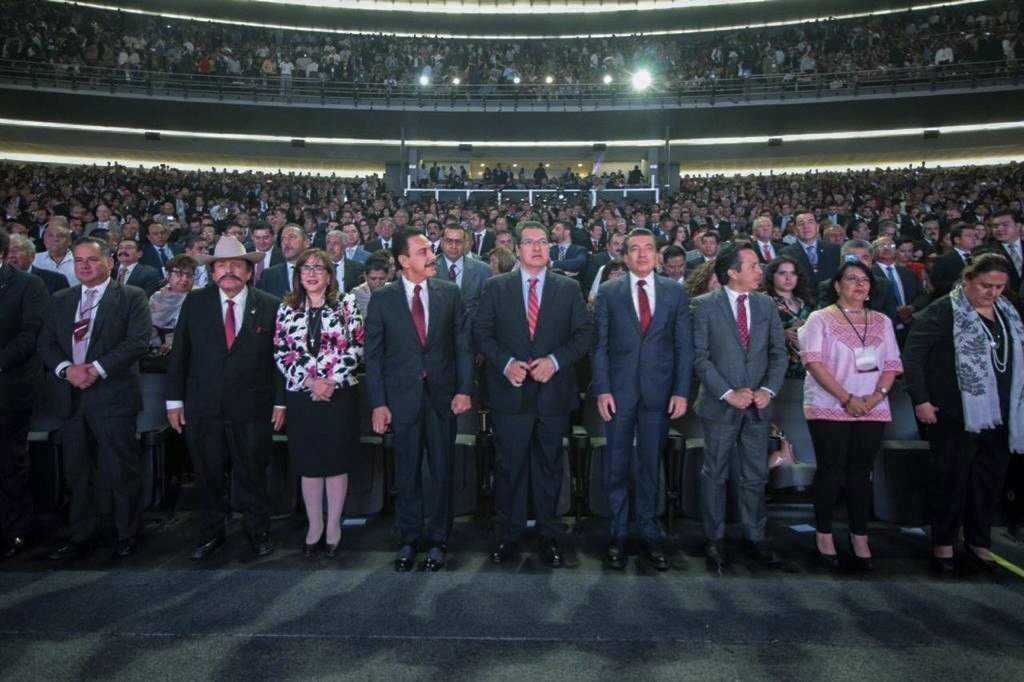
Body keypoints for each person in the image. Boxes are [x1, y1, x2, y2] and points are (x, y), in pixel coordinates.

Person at [475, 221, 594, 567]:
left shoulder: (567, 288)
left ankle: (548, 536)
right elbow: (481, 333)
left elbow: (584, 334)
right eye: (529, 242)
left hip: (552, 393)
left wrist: (555, 362)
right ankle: (508, 535)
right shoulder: (495, 287)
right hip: (508, 392)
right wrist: (506, 363)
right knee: (509, 467)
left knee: (549, 468)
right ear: (517, 248)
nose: (537, 248)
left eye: (543, 242)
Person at [166, 236, 286, 560]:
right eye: (221, 265)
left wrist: (280, 401)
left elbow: (279, 359)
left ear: (249, 271)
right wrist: (173, 402)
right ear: (212, 271)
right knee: (208, 475)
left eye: (236, 265)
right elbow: (180, 355)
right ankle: (211, 533)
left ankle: (257, 531)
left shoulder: (271, 304)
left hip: (253, 407)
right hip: (204, 406)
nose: (228, 271)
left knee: (253, 475)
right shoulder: (195, 303)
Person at [903, 253, 1022, 574]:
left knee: (989, 478)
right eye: (986, 285)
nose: (993, 292)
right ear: (967, 279)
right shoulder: (944, 311)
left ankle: (979, 541)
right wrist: (921, 399)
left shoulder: (1009, 313)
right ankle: (943, 542)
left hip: (1002, 412)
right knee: (951, 477)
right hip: (954, 410)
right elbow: (913, 356)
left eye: (999, 286)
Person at [364, 228, 473, 572]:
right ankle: (409, 538)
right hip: (402, 399)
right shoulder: (383, 298)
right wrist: (379, 403)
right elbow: (374, 356)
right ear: (403, 261)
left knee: (442, 470)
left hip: (442, 398)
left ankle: (439, 539)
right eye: (424, 251)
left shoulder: (450, 293)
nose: (432, 256)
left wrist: (464, 389)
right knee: (407, 471)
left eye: (431, 250)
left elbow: (463, 347)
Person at [37, 236, 151, 559]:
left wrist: (95, 369)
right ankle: (81, 535)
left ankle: (126, 533)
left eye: (93, 259)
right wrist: (66, 370)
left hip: (113, 396)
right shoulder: (60, 298)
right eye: (80, 260)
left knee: (120, 468)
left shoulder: (131, 296)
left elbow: (137, 342)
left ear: (109, 263)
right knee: (78, 470)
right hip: (70, 397)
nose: (85, 266)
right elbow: (45, 343)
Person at [592, 229, 693, 571]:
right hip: (618, 394)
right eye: (634, 249)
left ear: (657, 255)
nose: (641, 255)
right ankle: (618, 534)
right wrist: (602, 389)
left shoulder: (674, 293)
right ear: (624, 255)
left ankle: (650, 534)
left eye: (648, 248)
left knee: (651, 465)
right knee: (618, 466)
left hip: (660, 393)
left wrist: (681, 391)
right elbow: (600, 346)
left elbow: (684, 347)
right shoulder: (608, 292)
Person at [799, 260, 902, 570]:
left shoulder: (882, 320)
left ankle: (860, 535)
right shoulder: (820, 319)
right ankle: (825, 534)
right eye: (852, 279)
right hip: (829, 406)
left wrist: (875, 397)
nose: (860, 285)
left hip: (872, 407)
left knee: (861, 472)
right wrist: (847, 398)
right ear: (837, 284)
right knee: (830, 471)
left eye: (865, 280)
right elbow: (813, 363)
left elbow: (892, 365)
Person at [691, 242, 788, 574]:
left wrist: (768, 390)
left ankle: (755, 536)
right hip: (721, 405)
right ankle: (714, 538)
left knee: (754, 475)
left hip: (758, 406)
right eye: (753, 265)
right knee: (715, 473)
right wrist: (727, 393)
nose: (761, 270)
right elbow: (699, 357)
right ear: (732, 272)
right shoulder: (703, 306)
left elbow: (779, 354)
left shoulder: (766, 306)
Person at [274, 248, 364, 560]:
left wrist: (330, 381)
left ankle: (334, 525)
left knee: (335, 461)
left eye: (318, 268)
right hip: (302, 394)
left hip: (338, 393)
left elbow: (356, 344)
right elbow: (281, 351)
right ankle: (315, 525)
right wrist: (311, 382)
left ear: (329, 275)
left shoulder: (346, 303)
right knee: (309, 463)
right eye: (305, 269)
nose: (311, 274)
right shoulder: (286, 308)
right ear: (298, 275)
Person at [0, 230, 50, 557]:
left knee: (7, 462)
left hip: (10, 387)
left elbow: (32, 334)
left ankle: (11, 532)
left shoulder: (27, 285)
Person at [763, 255, 813, 377]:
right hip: (777, 369)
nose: (788, 278)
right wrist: (782, 334)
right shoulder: (763, 301)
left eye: (793, 273)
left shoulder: (806, 303)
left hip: (809, 368)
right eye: (782, 273)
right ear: (772, 276)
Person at [148, 254, 199, 353]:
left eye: (189, 275)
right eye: (179, 274)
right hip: (153, 349)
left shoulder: (197, 297)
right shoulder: (156, 297)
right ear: (168, 275)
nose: (184, 279)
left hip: (184, 350)